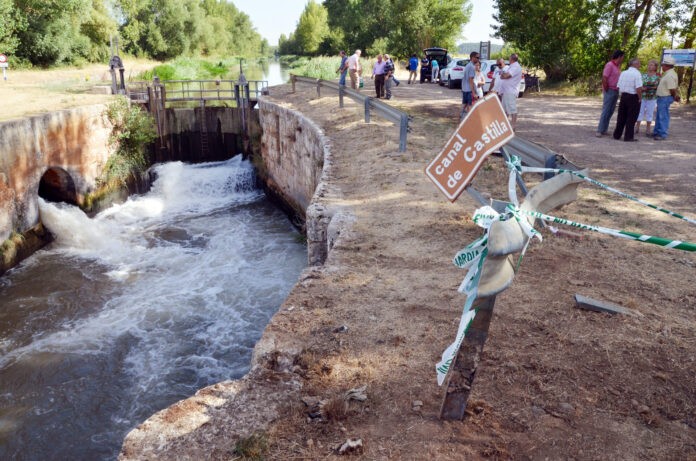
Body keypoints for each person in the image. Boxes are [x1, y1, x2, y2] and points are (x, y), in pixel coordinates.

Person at [613, 58, 643, 142]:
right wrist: (640, 98)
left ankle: (617, 135)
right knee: (631, 117)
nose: (640, 65)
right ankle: (628, 136)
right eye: (639, 64)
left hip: (623, 96)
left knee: (621, 116)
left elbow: (618, 86)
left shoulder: (623, 73)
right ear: (635, 64)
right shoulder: (637, 74)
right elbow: (638, 88)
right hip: (633, 97)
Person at [596, 50, 625, 137]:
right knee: (606, 110)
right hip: (609, 90)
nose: (623, 59)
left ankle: (605, 129)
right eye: (623, 57)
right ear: (619, 57)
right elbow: (604, 78)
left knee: (611, 110)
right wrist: (607, 89)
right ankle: (599, 130)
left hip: (615, 90)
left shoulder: (618, 66)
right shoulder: (609, 65)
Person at [652, 55, 680, 141]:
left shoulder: (670, 75)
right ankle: (656, 132)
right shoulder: (668, 74)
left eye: (663, 65)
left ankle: (662, 134)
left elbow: (672, 89)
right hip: (662, 98)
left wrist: (674, 96)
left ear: (667, 66)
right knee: (659, 116)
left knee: (663, 116)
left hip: (665, 98)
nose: (662, 66)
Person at [635, 59, 660, 136]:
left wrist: (648, 88)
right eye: (649, 65)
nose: (649, 66)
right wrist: (642, 88)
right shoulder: (643, 75)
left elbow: (658, 86)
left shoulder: (657, 76)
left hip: (652, 97)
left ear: (655, 67)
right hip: (642, 96)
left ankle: (648, 128)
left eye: (652, 65)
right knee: (639, 111)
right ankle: (637, 127)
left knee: (650, 112)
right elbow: (639, 84)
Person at [499, 53, 522, 130]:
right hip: (506, 91)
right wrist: (503, 75)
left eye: (509, 58)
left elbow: (507, 75)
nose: (508, 59)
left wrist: (502, 75)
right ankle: (505, 125)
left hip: (510, 91)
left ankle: (513, 125)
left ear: (511, 59)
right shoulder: (512, 66)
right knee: (505, 109)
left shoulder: (515, 66)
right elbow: (504, 76)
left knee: (512, 109)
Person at [460, 51, 480, 120]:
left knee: (464, 105)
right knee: (470, 106)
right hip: (469, 90)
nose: (478, 59)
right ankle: (468, 121)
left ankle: (460, 119)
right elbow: (471, 81)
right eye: (477, 57)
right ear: (473, 57)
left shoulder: (467, 65)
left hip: (465, 89)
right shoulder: (471, 67)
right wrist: (474, 93)